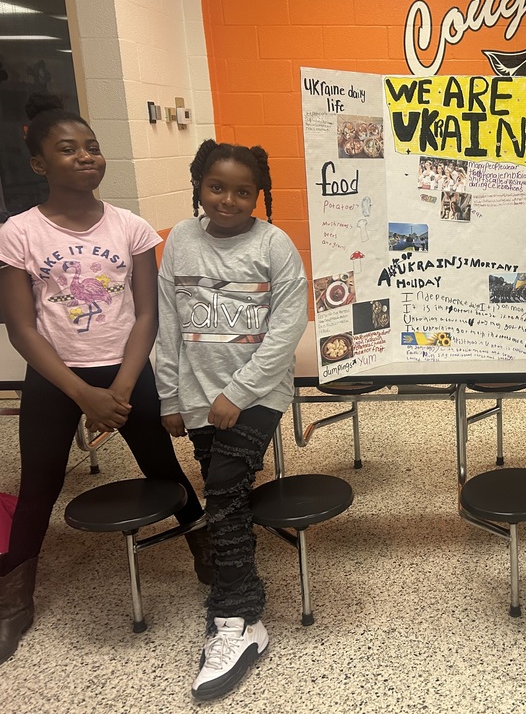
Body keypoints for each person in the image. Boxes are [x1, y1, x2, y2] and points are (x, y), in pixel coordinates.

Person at [0, 95, 210, 666]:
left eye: (91, 147)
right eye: (67, 150)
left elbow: (147, 314)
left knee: (163, 465)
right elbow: (21, 328)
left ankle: (207, 554)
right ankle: (13, 602)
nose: (85, 157)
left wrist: (120, 386)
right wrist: (81, 392)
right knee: (39, 484)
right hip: (54, 377)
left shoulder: (132, 227)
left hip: (126, 370)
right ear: (39, 163)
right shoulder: (19, 233)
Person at [156, 139, 307, 701]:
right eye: (217, 187)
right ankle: (236, 600)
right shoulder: (179, 242)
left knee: (222, 491)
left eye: (243, 191)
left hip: (258, 394)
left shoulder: (274, 244)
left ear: (258, 195)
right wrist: (170, 396)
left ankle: (239, 618)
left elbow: (286, 330)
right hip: (197, 395)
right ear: (198, 185)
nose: (228, 199)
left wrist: (238, 394)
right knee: (225, 494)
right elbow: (169, 323)